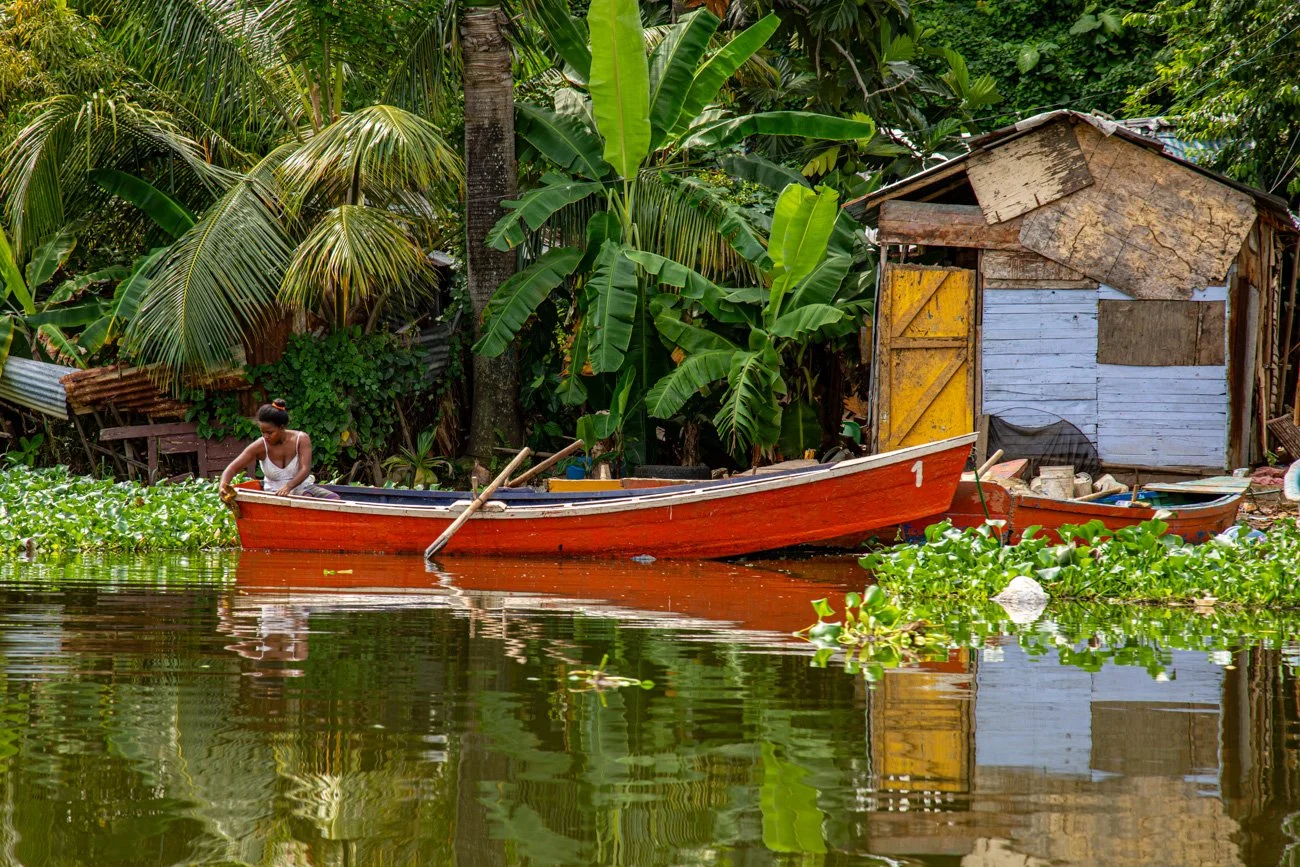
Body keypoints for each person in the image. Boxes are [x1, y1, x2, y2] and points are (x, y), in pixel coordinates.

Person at [219, 400, 340, 500]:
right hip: (275, 494)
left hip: (304, 487)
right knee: (305, 497)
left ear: (282, 427)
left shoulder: (301, 439)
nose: (266, 436)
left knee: (335, 499)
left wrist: (288, 486)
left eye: (270, 432)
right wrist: (222, 486)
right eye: (263, 432)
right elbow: (232, 468)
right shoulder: (260, 445)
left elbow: (305, 469)